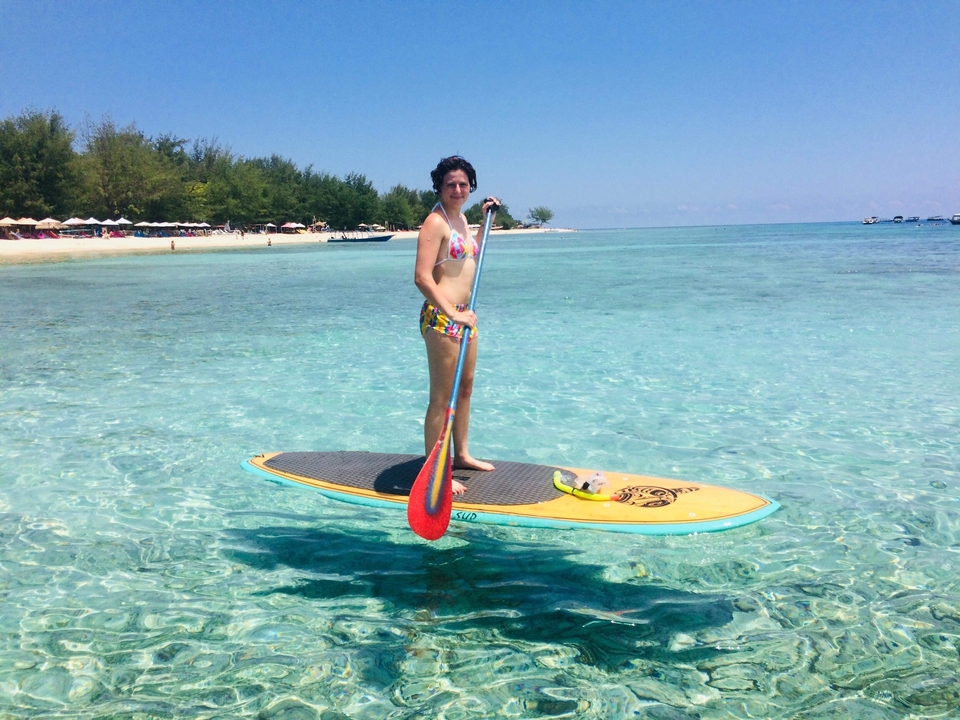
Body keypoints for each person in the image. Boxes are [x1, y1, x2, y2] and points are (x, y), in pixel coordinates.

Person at [414, 156, 499, 494]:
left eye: (463, 184)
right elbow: (422, 277)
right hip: (442, 316)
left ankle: (460, 454)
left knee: (465, 389)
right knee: (442, 396)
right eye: (450, 184)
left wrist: (482, 222)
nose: (457, 189)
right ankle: (435, 470)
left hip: (466, 315)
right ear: (439, 187)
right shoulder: (435, 222)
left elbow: (465, 257)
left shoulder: (460, 219)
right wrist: (451, 313)